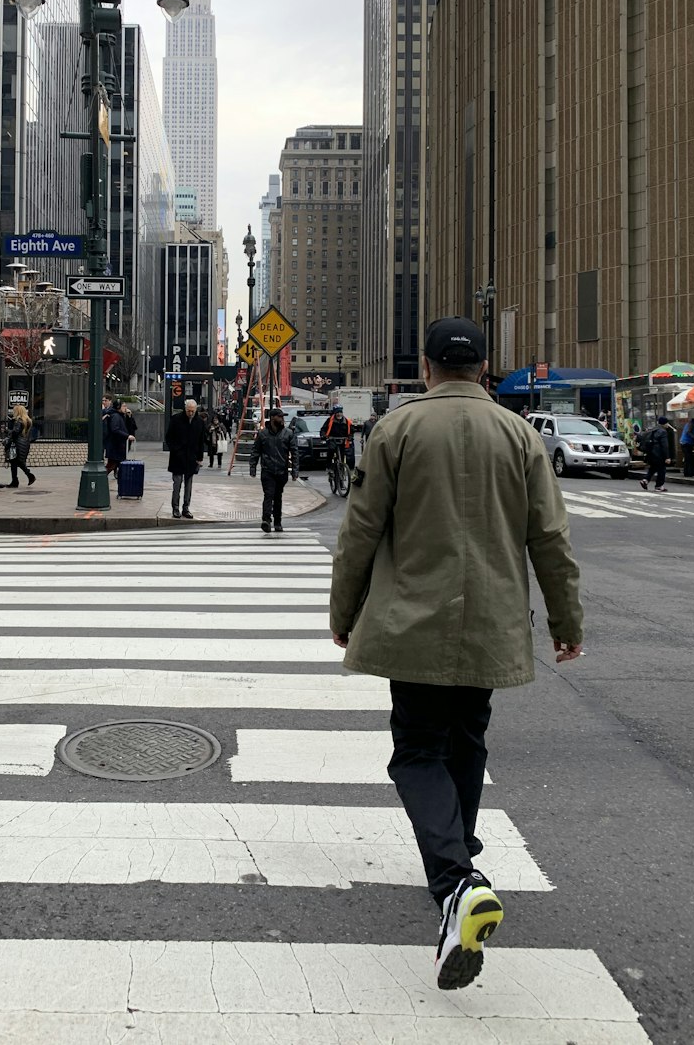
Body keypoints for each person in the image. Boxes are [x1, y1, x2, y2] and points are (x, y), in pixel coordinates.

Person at [329, 316, 582, 992]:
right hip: (492, 620)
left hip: (414, 618)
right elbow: (550, 539)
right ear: (486, 365)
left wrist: (343, 611)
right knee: (467, 738)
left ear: (426, 364)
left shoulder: (398, 430)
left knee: (416, 747)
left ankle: (455, 879)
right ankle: (458, 858)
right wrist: (566, 620)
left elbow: (360, 530)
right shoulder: (521, 434)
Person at [249, 408, 300, 533]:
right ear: (272, 418)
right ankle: (266, 520)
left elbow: (294, 453)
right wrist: (253, 466)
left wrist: (295, 471)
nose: (282, 419)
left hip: (282, 471)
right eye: (280, 417)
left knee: (278, 496)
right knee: (269, 494)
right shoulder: (263, 434)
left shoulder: (288, 433)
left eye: (282, 417)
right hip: (268, 470)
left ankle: (278, 521)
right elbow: (256, 451)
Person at [166, 398, 204, 519]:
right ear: (185, 409)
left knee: (189, 485)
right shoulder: (176, 419)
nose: (191, 413)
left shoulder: (199, 422)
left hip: (191, 457)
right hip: (178, 457)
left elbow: (201, 441)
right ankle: (175, 508)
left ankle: (186, 508)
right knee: (177, 484)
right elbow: (169, 437)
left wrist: (200, 457)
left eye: (193, 411)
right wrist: (175, 449)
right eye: (189, 411)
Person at [5, 402, 36, 488]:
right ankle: (16, 480)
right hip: (25, 443)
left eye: (14, 411)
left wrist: (7, 431)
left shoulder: (18, 421)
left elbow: (15, 432)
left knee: (16, 461)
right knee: (16, 461)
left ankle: (28, 476)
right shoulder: (28, 421)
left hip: (17, 444)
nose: (13, 412)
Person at [638, 416, 671, 492]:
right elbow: (664, 445)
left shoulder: (653, 430)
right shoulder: (663, 432)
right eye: (667, 423)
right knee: (662, 470)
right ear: (664, 423)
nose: (668, 424)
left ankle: (645, 480)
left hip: (651, 453)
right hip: (659, 454)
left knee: (653, 468)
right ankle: (659, 486)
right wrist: (667, 457)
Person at [322, 404, 355, 469]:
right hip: (332, 439)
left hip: (342, 440)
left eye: (340, 412)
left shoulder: (347, 421)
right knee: (331, 451)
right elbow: (323, 429)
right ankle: (329, 467)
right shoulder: (330, 420)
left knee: (342, 455)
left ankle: (341, 469)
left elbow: (352, 430)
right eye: (337, 412)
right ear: (335, 413)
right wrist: (323, 435)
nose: (339, 414)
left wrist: (350, 436)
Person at [104, 398, 130, 479]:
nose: (125, 408)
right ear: (118, 407)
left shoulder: (120, 416)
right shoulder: (115, 416)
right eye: (123, 406)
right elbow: (115, 429)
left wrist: (129, 417)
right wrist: (127, 436)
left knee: (116, 465)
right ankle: (100, 479)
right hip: (115, 446)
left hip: (118, 446)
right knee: (111, 465)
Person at [680, 413, 694, 477]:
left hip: (685, 443)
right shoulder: (691, 424)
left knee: (688, 458)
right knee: (689, 459)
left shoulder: (691, 424)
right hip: (686, 443)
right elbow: (688, 432)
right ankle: (690, 473)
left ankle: (687, 473)